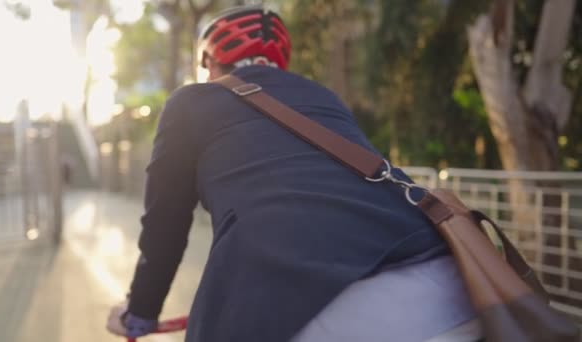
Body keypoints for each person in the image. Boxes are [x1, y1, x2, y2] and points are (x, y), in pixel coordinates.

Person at [107, 5, 483, 342]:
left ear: (210, 62)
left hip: (318, 312)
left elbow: (164, 228)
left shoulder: (189, 102)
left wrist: (139, 314)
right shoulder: (322, 97)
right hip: (453, 291)